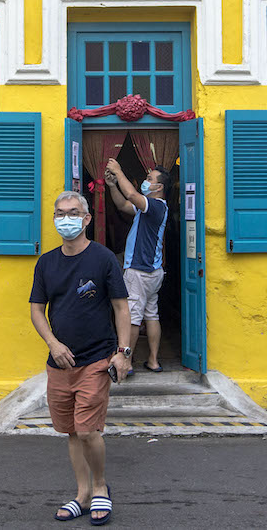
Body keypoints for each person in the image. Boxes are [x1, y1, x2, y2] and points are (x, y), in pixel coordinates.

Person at [29, 191, 131, 525]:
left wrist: (123, 353)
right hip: (59, 363)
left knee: (88, 431)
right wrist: (53, 344)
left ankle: (100, 487)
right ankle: (82, 492)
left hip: (96, 360)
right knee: (72, 431)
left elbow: (121, 308)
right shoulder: (46, 262)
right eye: (60, 213)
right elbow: (36, 310)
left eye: (73, 213)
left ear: (87, 219)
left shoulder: (103, 259)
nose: (65, 219)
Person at [104, 158, 170, 374]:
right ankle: (153, 361)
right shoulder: (148, 208)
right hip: (153, 271)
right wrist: (113, 185)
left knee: (131, 317)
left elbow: (131, 195)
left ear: (158, 187)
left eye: (149, 179)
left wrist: (119, 170)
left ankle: (128, 363)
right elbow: (123, 204)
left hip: (140, 271)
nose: (145, 180)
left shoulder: (156, 206)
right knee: (151, 315)